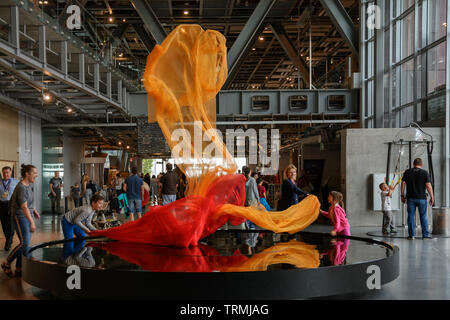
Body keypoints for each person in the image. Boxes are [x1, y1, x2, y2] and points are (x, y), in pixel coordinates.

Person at [1, 164, 40, 277]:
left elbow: (28, 203)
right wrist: (32, 222)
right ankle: (7, 263)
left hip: (25, 215)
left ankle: (19, 268)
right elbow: (23, 207)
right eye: (34, 173)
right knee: (24, 243)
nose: (36, 175)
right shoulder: (21, 187)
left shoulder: (28, 185)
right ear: (27, 174)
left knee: (24, 244)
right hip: (19, 217)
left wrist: (35, 210)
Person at [401, 158, 435, 240]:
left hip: (410, 198)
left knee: (410, 216)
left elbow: (403, 183)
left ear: (413, 163)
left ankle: (411, 235)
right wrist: (432, 196)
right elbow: (428, 185)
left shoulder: (407, 172)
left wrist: (402, 195)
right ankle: (425, 236)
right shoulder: (424, 173)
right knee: (423, 216)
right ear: (421, 164)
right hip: (421, 198)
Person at [0, 166, 19, 251]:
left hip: (12, 204)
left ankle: (8, 241)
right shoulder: (0, 182)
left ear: (10, 173)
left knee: (11, 223)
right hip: (2, 205)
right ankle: (8, 237)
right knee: (4, 224)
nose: (5, 174)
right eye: (4, 173)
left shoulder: (16, 182)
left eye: (7, 172)